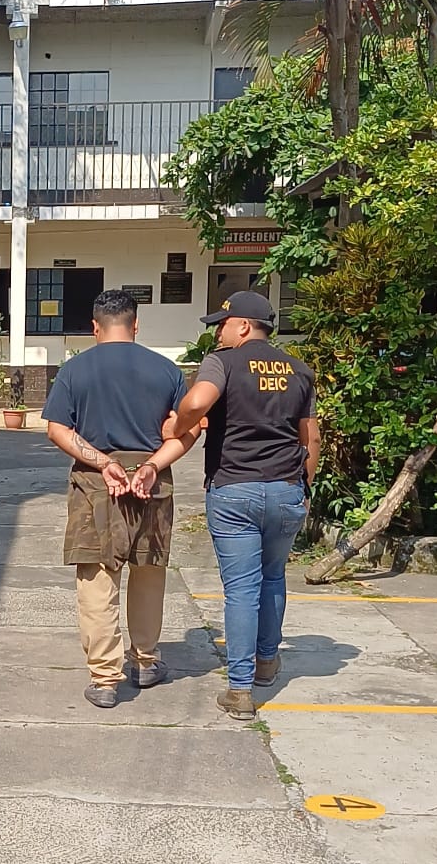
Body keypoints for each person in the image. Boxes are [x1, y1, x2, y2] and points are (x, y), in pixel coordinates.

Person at [163, 290, 321, 721]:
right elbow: (312, 438)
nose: (217, 333)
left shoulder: (223, 363)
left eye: (223, 325)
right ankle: (267, 663)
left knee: (241, 590)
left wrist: (175, 425)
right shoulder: (299, 370)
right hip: (286, 489)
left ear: (245, 326)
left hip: (235, 490)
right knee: (273, 578)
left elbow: (196, 402)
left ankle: (239, 689)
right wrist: (301, 485)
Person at [42, 289, 200, 710]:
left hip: (96, 483)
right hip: (153, 482)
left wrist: (102, 462)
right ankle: (145, 660)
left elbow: (58, 430)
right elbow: (189, 430)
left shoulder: (74, 370)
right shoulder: (166, 371)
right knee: (148, 571)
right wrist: (150, 466)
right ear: (136, 325)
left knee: (97, 579)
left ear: (95, 327)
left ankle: (105, 678)